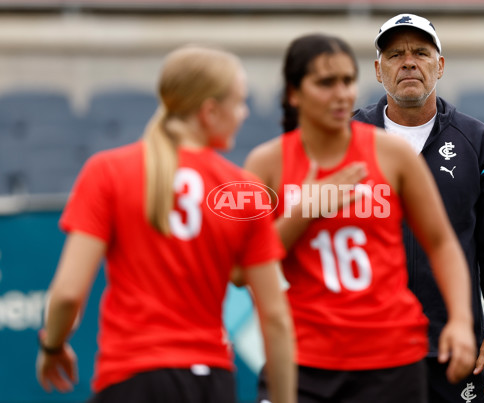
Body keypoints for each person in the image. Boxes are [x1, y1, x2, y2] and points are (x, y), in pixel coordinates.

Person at [35, 44, 296, 403]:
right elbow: (276, 318)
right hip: (211, 382)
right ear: (209, 111)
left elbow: (66, 294)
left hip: (132, 379)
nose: (244, 113)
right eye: (238, 102)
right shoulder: (244, 192)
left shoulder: (108, 171)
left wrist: (53, 347)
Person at [243, 33, 475, 403]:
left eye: (348, 80)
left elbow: (442, 242)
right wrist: (304, 211)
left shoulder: (393, 155)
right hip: (302, 355)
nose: (341, 93)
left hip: (390, 357)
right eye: (325, 82)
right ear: (293, 93)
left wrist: (461, 321)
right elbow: (241, 271)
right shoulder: (266, 164)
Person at [353, 13, 484, 401]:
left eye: (421, 53)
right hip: (364, 350)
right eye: (395, 55)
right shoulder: (347, 140)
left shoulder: (481, 144)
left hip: (451, 349)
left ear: (439, 65)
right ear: (378, 71)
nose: (408, 62)